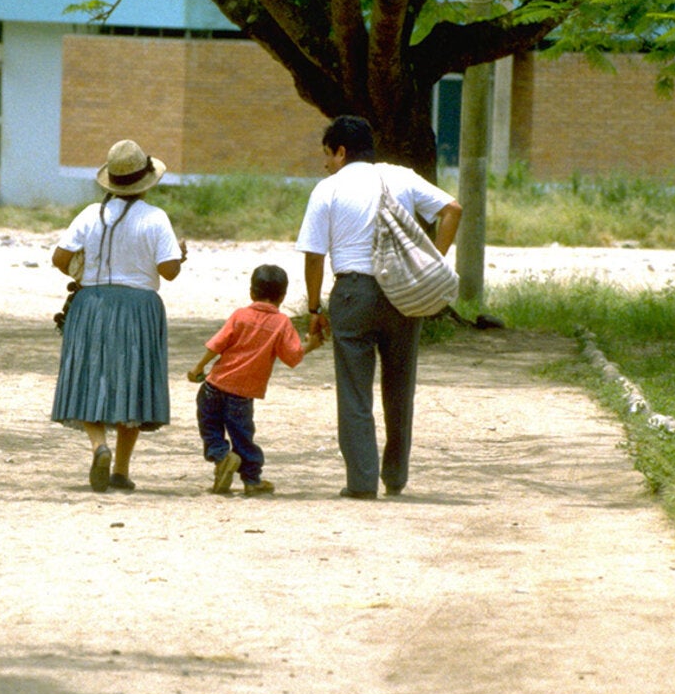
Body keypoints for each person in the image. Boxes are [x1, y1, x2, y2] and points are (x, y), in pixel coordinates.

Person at [295, 115, 462, 499]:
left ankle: (361, 481)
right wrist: (433, 262)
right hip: (404, 293)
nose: (325, 163)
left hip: (354, 293)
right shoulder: (400, 177)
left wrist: (316, 309)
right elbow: (453, 209)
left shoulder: (328, 189)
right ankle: (396, 476)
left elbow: (314, 256)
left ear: (340, 151)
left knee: (355, 391)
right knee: (400, 388)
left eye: (327, 154)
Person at [51, 139, 186, 493]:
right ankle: (122, 471)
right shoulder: (156, 219)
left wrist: (88, 275)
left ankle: (99, 447)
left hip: (91, 304)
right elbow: (168, 271)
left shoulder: (87, 215)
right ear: (146, 181)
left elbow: (59, 259)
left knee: (88, 378)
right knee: (133, 383)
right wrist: (181, 256)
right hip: (139, 306)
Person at [187, 265, 323, 496]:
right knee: (242, 437)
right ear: (282, 296)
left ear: (251, 292)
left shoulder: (240, 315)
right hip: (242, 395)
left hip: (214, 386)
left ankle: (222, 457)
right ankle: (251, 480)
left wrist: (198, 367)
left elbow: (216, 345)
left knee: (210, 429)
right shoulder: (281, 324)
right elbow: (292, 357)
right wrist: (310, 344)